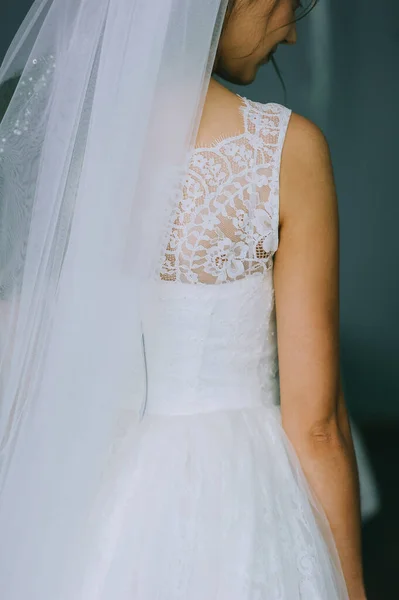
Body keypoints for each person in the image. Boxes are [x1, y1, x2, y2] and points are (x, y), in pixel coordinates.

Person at [0, 1, 366, 598]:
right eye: (287, 4)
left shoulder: (76, 148)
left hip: (110, 486)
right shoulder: (284, 150)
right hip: (246, 490)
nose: (292, 35)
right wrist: (352, 585)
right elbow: (318, 425)